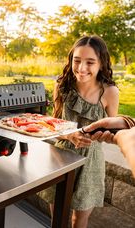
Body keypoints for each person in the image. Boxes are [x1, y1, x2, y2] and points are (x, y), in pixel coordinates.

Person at [39, 35, 119, 228]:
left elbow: (112, 131)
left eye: (90, 62)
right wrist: (68, 135)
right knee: (58, 216)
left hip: (91, 163)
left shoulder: (110, 92)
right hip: (60, 158)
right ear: (71, 60)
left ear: (102, 63)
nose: (81, 68)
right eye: (77, 60)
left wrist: (108, 134)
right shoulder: (62, 86)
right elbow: (50, 126)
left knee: (79, 220)